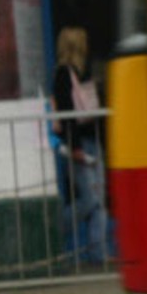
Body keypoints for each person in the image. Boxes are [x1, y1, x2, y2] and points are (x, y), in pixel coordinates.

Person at [52, 26, 115, 268]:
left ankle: (98, 255)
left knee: (99, 200)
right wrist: (76, 146)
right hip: (79, 144)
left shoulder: (83, 73)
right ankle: (54, 230)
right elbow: (68, 116)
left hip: (93, 142)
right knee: (89, 199)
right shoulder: (62, 75)